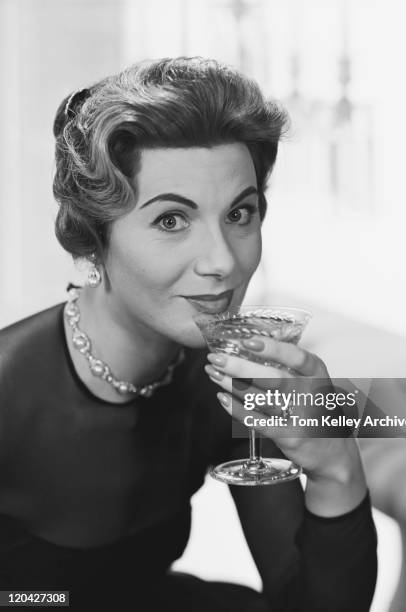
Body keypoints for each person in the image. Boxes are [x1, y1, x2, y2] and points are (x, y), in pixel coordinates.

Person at [0, 57, 377, 611]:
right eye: (171, 221)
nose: (223, 261)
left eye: (240, 214)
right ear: (92, 240)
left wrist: (336, 468)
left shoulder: (229, 379)